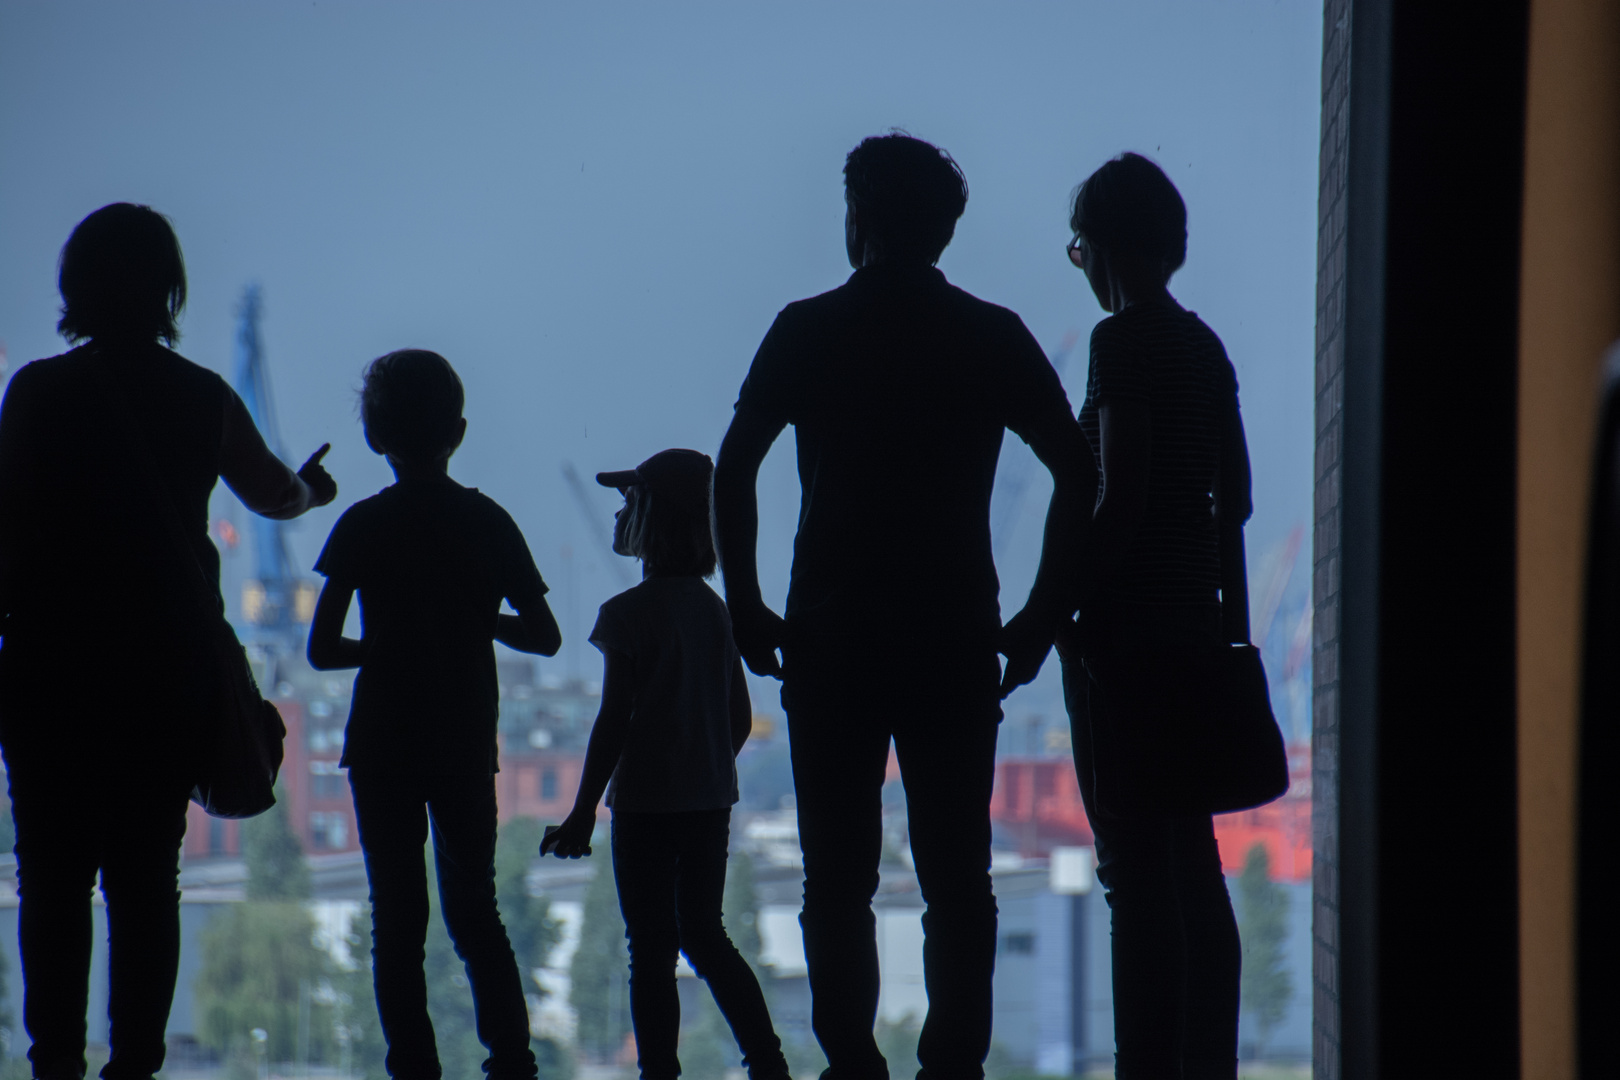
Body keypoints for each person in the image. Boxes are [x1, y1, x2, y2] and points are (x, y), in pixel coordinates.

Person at [712, 133, 1095, 1080]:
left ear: (857, 220)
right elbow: (1077, 471)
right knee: (958, 879)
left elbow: (737, 466)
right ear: (945, 228)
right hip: (955, 636)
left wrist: (750, 604)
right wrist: (1043, 613)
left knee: (833, 881)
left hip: (829, 636)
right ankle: (951, 1067)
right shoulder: (992, 334)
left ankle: (851, 1064)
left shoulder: (805, 329)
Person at [0, 203, 337, 1080]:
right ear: (169, 291)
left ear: (76, 287)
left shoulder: (36, 393)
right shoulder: (201, 397)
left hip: (49, 672)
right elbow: (273, 494)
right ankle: (135, 1066)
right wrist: (313, 490)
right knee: (146, 882)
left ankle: (54, 1063)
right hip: (162, 674)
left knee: (52, 879)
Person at [305, 349, 561, 1080]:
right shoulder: (487, 521)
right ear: (459, 431)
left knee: (397, 922)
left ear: (373, 438)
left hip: (382, 741)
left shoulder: (360, 525)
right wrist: (478, 622)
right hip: (462, 738)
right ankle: (511, 1062)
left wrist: (384, 648)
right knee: (476, 914)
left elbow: (323, 650)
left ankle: (413, 1067)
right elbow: (544, 635)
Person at [1057, 152, 1251, 1079]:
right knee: (1195, 868)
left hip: (1128, 642)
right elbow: (1237, 501)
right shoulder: (1207, 347)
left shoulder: (1121, 346)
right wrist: (1227, 629)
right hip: (1197, 633)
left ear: (1098, 249)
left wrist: (1060, 605)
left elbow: (1120, 497)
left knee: (1134, 876)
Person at [543, 449, 789, 1080]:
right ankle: (768, 1064)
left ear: (651, 519)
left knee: (648, 951)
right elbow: (737, 719)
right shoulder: (714, 611)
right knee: (707, 936)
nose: (620, 510)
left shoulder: (625, 616)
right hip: (708, 803)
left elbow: (613, 721)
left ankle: (660, 1073)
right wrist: (701, 767)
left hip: (645, 807)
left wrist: (580, 813)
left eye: (630, 500)